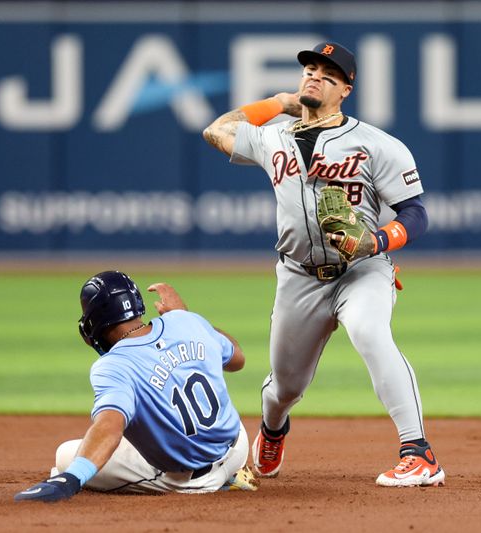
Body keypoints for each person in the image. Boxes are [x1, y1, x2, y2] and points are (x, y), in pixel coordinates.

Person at [202, 41, 444, 487]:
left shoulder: (376, 144)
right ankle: (274, 430)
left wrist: (377, 240)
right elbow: (216, 130)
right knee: (283, 389)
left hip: (362, 271)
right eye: (309, 70)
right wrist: (277, 103)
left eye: (327, 75)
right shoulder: (273, 134)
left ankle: (419, 452)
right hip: (297, 276)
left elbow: (416, 213)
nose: (314, 76)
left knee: (371, 334)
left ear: (346, 89)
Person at [15, 271, 257, 501]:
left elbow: (110, 426)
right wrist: (186, 317)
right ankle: (231, 472)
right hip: (237, 445)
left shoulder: (114, 365)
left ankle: (220, 481)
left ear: (93, 323)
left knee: (66, 456)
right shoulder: (186, 321)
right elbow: (238, 359)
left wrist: (70, 479)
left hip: (192, 478)